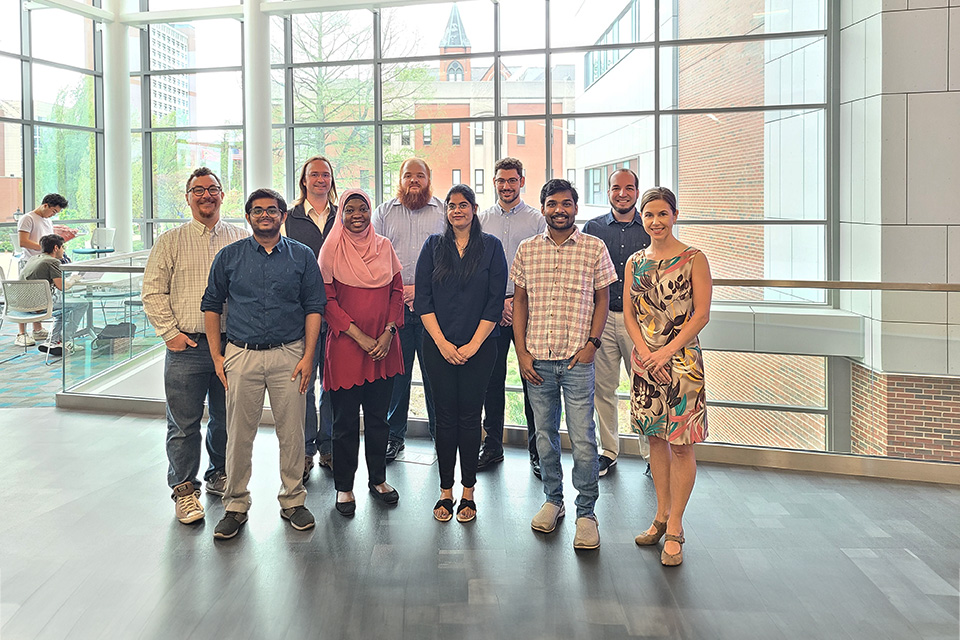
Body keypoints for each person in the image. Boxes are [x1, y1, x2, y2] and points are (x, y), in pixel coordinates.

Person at [201, 188, 325, 539]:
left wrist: (308, 356)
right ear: (249, 217)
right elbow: (211, 305)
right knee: (238, 434)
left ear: (284, 216)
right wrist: (217, 356)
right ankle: (235, 505)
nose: (265, 215)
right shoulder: (230, 256)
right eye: (258, 211)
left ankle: (293, 501)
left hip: (290, 353)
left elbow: (315, 307)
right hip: (241, 354)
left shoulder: (301, 256)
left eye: (272, 210)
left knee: (293, 432)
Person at [512, 179, 617, 550]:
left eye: (567, 203)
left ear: (576, 207)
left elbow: (603, 299)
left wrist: (592, 344)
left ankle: (586, 512)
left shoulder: (594, 247)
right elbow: (519, 302)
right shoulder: (527, 250)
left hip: (577, 359)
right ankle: (553, 501)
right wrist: (522, 352)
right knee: (544, 436)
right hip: (537, 359)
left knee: (585, 439)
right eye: (552, 203)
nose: (560, 209)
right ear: (542, 208)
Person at [142, 168, 248, 525]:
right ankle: (185, 489)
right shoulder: (171, 240)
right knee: (184, 424)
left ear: (222, 195)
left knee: (226, 419)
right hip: (186, 346)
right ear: (187, 197)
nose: (207, 195)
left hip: (232, 346)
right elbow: (153, 291)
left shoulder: (240, 237)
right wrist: (169, 333)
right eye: (198, 190)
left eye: (213, 189)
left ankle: (219, 474)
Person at [626, 186, 712, 567]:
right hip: (645, 364)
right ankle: (660, 515)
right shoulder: (634, 262)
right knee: (655, 441)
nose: (656, 221)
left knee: (681, 444)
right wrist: (645, 353)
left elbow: (701, 315)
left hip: (682, 364)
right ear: (642, 219)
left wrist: (664, 351)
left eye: (663, 214)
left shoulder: (694, 258)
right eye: (649, 215)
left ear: (675, 215)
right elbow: (628, 313)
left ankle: (676, 525)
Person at [416, 185, 507, 523]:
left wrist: (472, 345)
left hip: (479, 348)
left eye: (463, 205)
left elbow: (494, 302)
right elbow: (423, 300)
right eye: (452, 206)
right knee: (445, 418)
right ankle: (445, 490)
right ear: (447, 211)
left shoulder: (492, 248)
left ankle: (468, 490)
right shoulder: (433, 247)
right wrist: (442, 343)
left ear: (474, 209)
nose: (457, 211)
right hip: (437, 346)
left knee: (470, 418)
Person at [318, 189, 404, 517]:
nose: (357, 214)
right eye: (350, 209)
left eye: (363, 208)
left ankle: (378, 479)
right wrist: (359, 336)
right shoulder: (331, 250)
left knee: (379, 419)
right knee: (344, 423)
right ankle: (344, 487)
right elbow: (327, 300)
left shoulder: (384, 247)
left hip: (383, 349)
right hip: (346, 349)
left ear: (371, 212)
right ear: (341, 215)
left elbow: (396, 292)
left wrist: (387, 333)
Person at [372, 158, 445, 461]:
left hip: (434, 308)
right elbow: (371, 255)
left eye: (420, 175)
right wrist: (399, 292)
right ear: (399, 180)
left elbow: (452, 259)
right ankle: (393, 436)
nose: (414, 181)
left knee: (435, 376)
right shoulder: (384, 212)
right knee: (396, 377)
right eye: (408, 176)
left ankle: (441, 437)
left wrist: (422, 290)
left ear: (429, 179)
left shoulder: (444, 212)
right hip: (395, 308)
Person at [476, 157, 545, 477]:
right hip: (490, 309)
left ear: (522, 182)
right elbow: (475, 266)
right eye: (501, 181)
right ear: (494, 182)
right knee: (491, 380)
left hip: (529, 309)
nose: (506, 186)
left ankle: (538, 449)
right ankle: (492, 445)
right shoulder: (481, 218)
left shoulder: (537, 220)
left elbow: (544, 266)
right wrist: (499, 304)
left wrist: (517, 303)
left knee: (533, 379)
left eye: (512, 180)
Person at [582, 169, 652, 478]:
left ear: (637, 191)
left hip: (641, 321)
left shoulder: (650, 227)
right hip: (602, 318)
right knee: (603, 388)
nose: (622, 193)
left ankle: (652, 455)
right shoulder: (593, 228)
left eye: (628, 188)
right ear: (608, 192)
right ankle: (608, 451)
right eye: (615, 188)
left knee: (645, 387)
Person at [283, 156, 337, 481]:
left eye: (325, 174)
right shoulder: (289, 218)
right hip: (299, 315)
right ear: (304, 180)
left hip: (335, 313)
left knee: (331, 384)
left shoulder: (342, 217)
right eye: (314, 174)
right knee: (303, 383)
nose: (320, 179)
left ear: (332, 180)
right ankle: (304, 450)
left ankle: (328, 446)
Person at [20, 234, 86, 356]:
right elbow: (63, 287)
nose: (64, 250)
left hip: (20, 305)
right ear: (56, 248)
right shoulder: (52, 261)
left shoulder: (33, 258)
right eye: (63, 247)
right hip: (38, 307)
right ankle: (66, 341)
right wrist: (74, 279)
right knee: (82, 304)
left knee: (63, 308)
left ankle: (53, 341)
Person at [15, 193, 67, 347]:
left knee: (41, 296)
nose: (53, 214)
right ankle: (21, 333)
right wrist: (46, 249)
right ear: (45, 205)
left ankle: (37, 329)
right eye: (54, 211)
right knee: (26, 296)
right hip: (30, 261)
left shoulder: (47, 221)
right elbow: (23, 241)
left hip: (44, 262)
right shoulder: (28, 218)